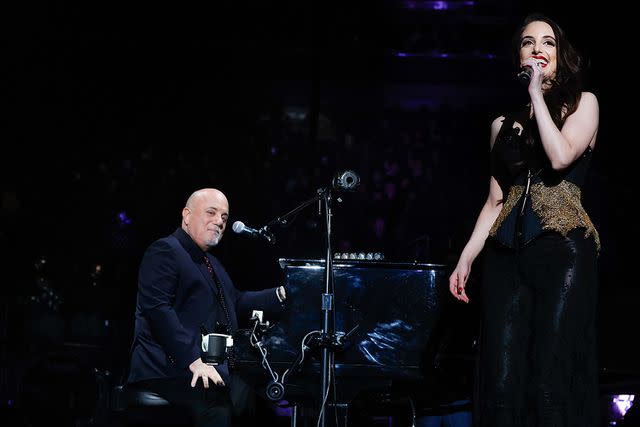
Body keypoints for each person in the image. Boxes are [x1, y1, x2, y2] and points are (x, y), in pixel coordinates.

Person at [448, 13, 601, 427]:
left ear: (560, 54)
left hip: (563, 248)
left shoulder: (583, 103)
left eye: (548, 42)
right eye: (528, 42)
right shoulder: (502, 125)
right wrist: (466, 257)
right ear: (517, 56)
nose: (538, 49)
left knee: (550, 381)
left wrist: (536, 95)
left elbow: (560, 156)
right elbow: (495, 200)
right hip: (504, 256)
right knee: (500, 383)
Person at [126, 188, 287, 427]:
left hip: (201, 367)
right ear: (187, 215)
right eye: (211, 212)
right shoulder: (165, 250)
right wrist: (193, 359)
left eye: (224, 217)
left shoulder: (210, 262)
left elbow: (236, 301)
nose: (219, 222)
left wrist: (280, 294)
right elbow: (158, 310)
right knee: (216, 404)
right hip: (165, 369)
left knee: (257, 399)